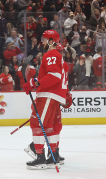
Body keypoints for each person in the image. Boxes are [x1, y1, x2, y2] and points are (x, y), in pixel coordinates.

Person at [22, 30, 71, 170]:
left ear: (51, 41)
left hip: (48, 95)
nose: (41, 41)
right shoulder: (58, 58)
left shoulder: (51, 54)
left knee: (37, 124)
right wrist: (65, 95)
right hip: (54, 96)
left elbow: (54, 76)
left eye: (44, 39)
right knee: (49, 127)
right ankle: (53, 156)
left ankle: (40, 158)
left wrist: (34, 82)